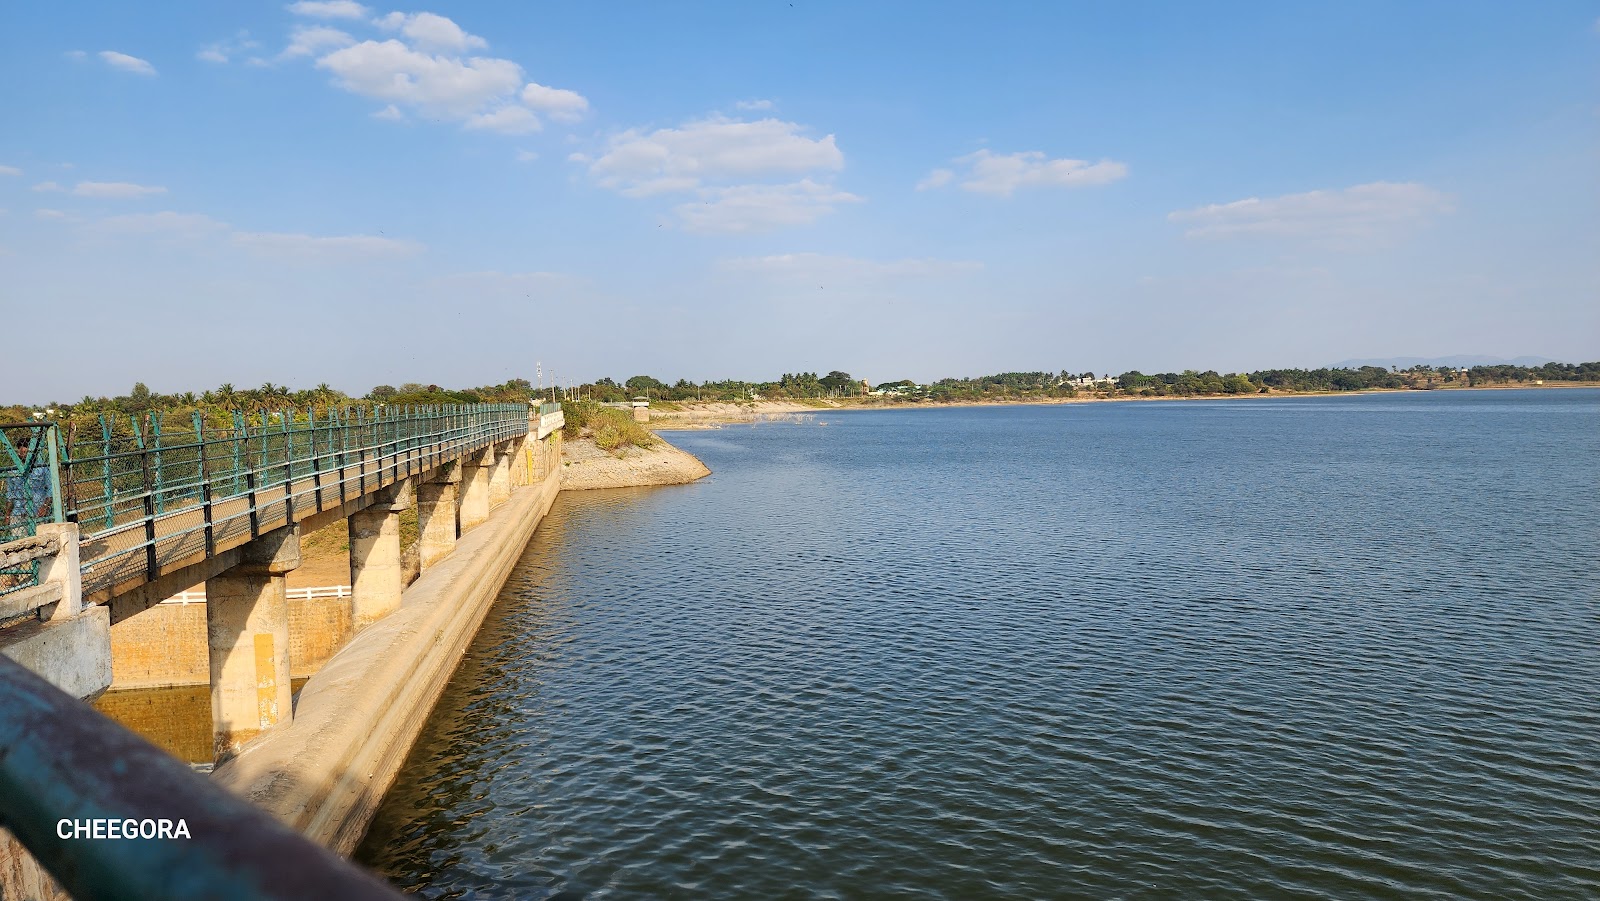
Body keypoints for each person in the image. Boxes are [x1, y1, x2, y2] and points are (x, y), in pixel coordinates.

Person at [4, 436, 53, 536]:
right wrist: (8, 514)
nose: (21, 454)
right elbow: (10, 495)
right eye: (19, 451)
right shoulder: (12, 471)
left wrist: (45, 507)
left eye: (25, 451)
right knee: (19, 542)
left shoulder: (42, 468)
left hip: (37, 513)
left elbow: (50, 490)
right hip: (19, 514)